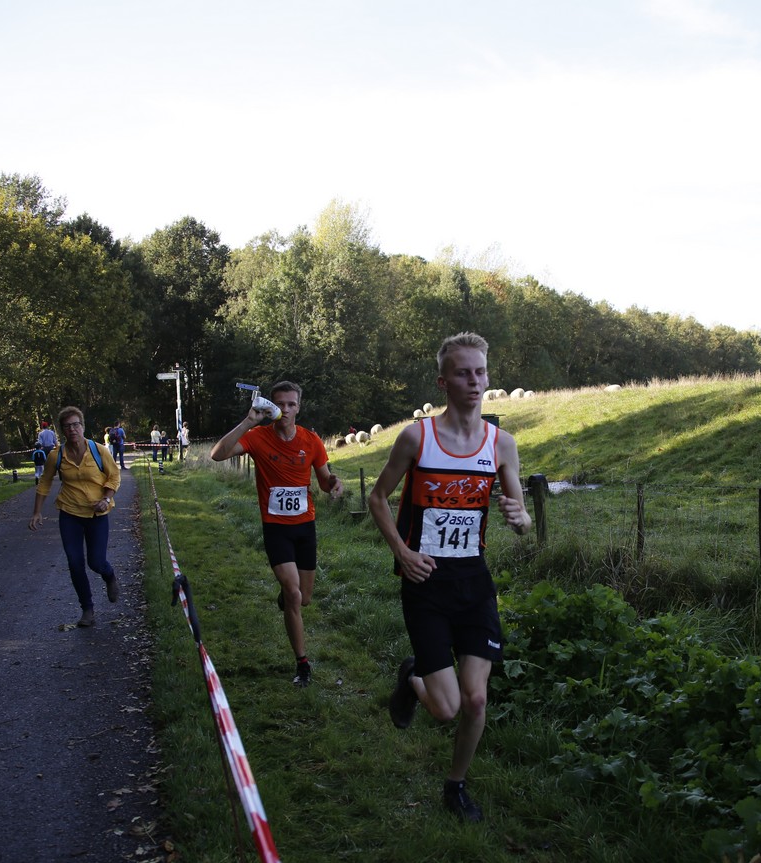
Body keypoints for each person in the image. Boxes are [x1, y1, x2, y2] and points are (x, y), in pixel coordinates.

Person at [368, 331, 531, 823]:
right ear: (443, 382)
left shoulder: (501, 444)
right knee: (446, 708)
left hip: (474, 582)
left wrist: (519, 517)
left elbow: (521, 516)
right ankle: (412, 676)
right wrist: (402, 551)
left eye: (480, 372)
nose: (474, 381)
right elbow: (377, 498)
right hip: (426, 582)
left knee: (476, 698)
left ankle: (455, 786)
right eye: (463, 373)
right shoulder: (417, 438)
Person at [210, 383, 344, 686]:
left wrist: (334, 484)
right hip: (276, 528)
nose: (285, 409)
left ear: (298, 408)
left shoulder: (311, 441)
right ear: (271, 406)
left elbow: (324, 481)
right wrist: (248, 421)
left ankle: (288, 595)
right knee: (294, 595)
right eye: (280, 404)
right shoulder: (258, 437)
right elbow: (217, 455)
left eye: (291, 404)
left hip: (305, 527)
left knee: (303, 598)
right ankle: (303, 664)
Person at [29, 406, 122, 628]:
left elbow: (114, 476)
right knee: (74, 563)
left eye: (75, 425)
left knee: (96, 562)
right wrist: (37, 512)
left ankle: (109, 576)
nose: (72, 429)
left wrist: (106, 498)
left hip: (97, 513)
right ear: (62, 430)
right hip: (70, 514)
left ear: (82, 426)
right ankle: (87, 609)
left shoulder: (99, 450)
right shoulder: (56, 455)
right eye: (67, 426)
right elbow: (45, 482)